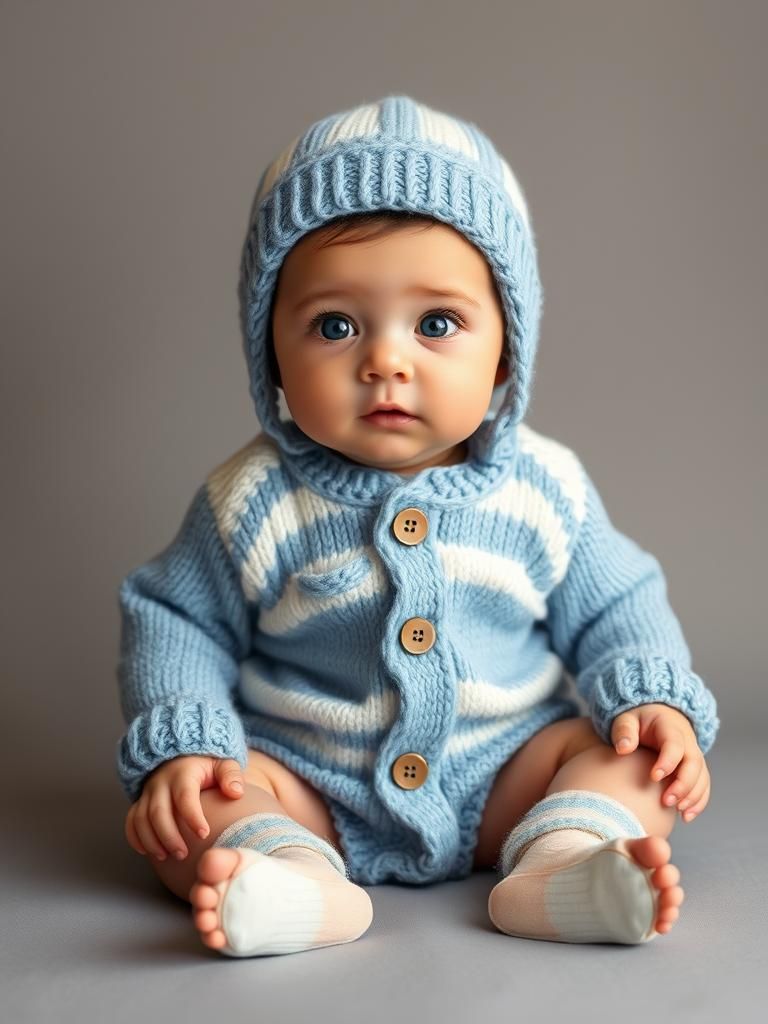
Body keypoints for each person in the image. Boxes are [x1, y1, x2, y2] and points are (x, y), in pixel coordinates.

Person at [116, 95, 719, 957]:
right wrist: (184, 743)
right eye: (335, 325)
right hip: (309, 782)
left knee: (630, 762)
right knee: (192, 809)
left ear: (507, 347)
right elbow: (175, 620)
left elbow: (619, 601)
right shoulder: (251, 498)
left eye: (437, 323)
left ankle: (564, 861)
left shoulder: (544, 487)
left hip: (507, 771)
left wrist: (653, 695)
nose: (385, 360)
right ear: (270, 354)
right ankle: (290, 878)